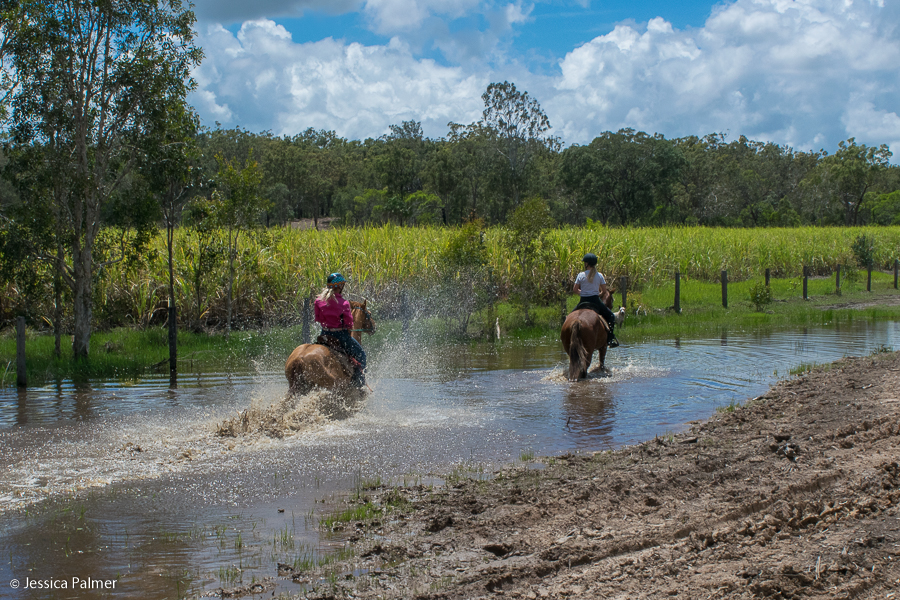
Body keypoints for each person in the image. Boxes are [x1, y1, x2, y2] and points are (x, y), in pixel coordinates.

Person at [314, 272, 367, 387]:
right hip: (340, 336)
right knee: (361, 355)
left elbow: (317, 319)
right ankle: (358, 385)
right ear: (340, 286)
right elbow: (349, 323)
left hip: (324, 334)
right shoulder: (344, 303)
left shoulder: (318, 301)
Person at [573, 253, 619, 348]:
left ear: (587, 264)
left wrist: (584, 293)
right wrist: (599, 294)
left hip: (583, 301)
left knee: (568, 317)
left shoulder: (581, 275)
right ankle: (610, 339)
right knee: (611, 316)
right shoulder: (599, 275)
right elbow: (604, 291)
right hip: (595, 301)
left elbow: (575, 290)